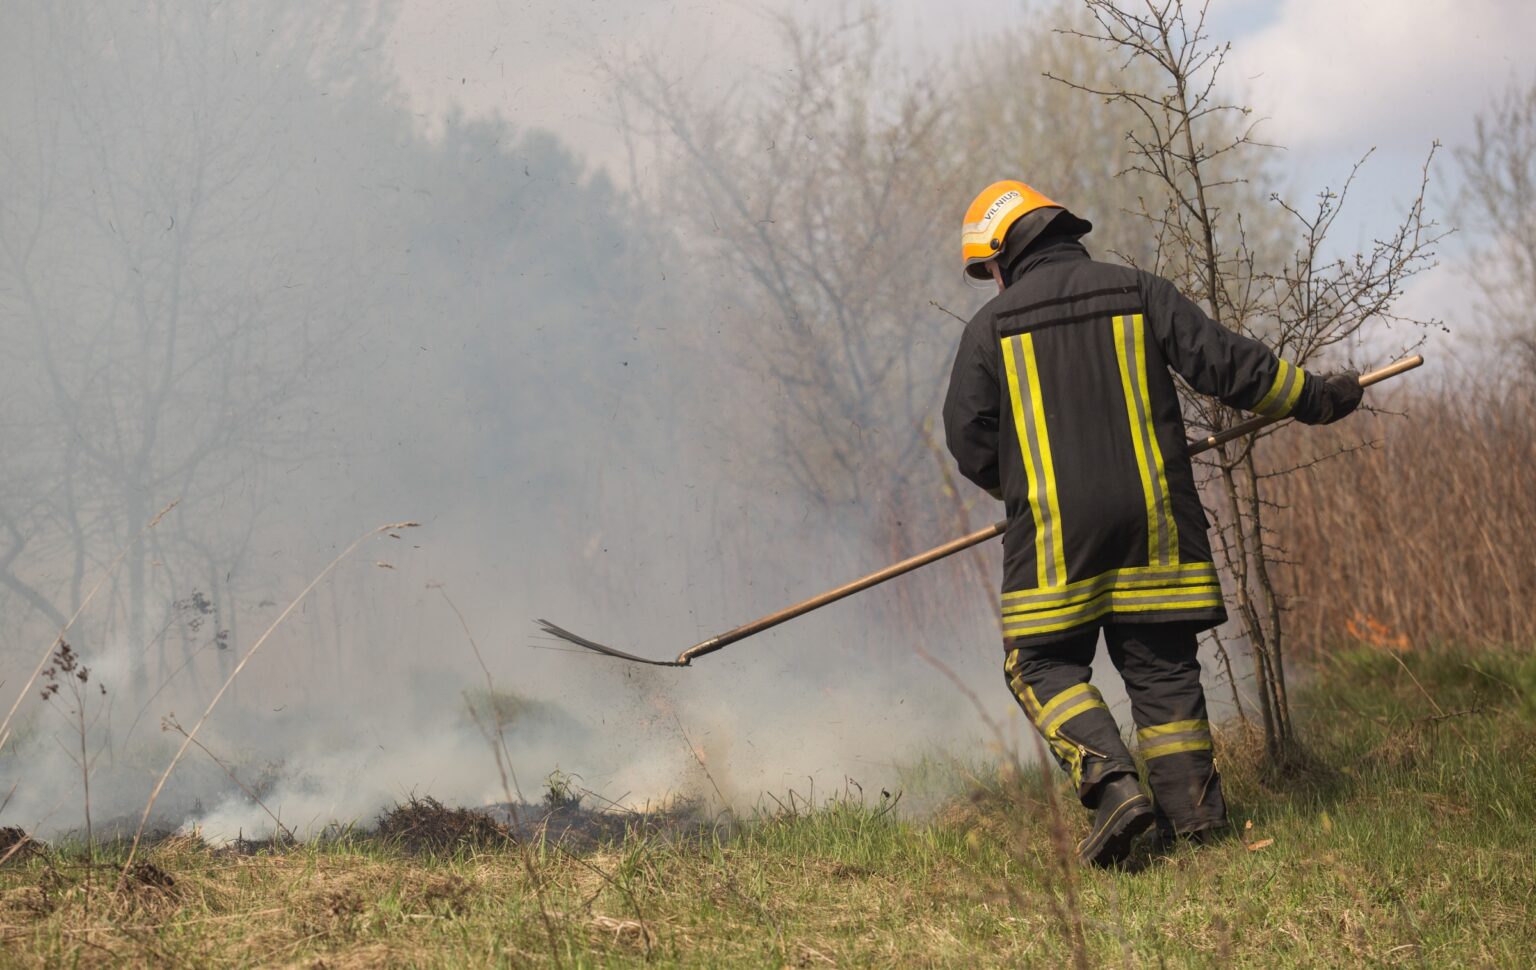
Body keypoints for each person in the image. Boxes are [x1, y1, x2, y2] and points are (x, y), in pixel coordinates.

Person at [942, 180, 1362, 867]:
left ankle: (1111, 786)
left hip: (1055, 537)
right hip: (1157, 524)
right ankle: (1194, 821)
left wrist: (1015, 487)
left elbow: (968, 440)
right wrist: (1314, 398)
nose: (991, 282)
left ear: (1005, 254)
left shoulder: (990, 330)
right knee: (1162, 665)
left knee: (1040, 661)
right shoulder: (1139, 291)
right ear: (1059, 230)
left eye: (987, 269)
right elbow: (1229, 366)